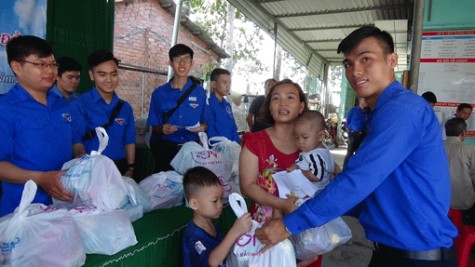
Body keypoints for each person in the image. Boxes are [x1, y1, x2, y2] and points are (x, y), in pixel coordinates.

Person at [255, 26, 457, 267]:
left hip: (417, 257)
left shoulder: (402, 110)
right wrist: (310, 206)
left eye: (366, 59)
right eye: (348, 64)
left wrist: (290, 225)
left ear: (392, 60)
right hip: (390, 251)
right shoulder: (377, 113)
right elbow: (369, 191)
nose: (355, 71)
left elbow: (359, 180)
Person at [239, 79, 322, 267]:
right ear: (269, 106)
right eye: (276, 98)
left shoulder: (312, 144)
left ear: (301, 107)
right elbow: (247, 186)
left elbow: (330, 174)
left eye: (290, 98)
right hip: (265, 230)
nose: (282, 103)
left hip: (306, 233)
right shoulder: (255, 142)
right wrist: (282, 204)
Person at [0, 35, 73, 216]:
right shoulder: (5, 108)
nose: (50, 71)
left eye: (53, 64)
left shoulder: (62, 104)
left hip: (64, 205)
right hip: (22, 211)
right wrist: (41, 178)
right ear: (16, 67)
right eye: (40, 64)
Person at [71, 49, 136, 177]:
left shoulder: (125, 107)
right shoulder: (79, 104)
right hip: (92, 171)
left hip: (120, 169)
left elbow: (129, 140)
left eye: (113, 74)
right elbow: (76, 141)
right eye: (102, 74)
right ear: (91, 75)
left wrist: (130, 169)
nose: (109, 80)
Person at [147, 44, 208, 172]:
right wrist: (162, 128)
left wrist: (202, 127)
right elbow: (154, 126)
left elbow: (205, 123)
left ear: (192, 63)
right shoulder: (159, 93)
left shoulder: (200, 93)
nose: (182, 64)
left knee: (190, 189)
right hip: (166, 151)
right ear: (170, 62)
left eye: (186, 59)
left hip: (192, 151)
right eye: (177, 59)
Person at [182, 166, 252, 267]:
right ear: (194, 204)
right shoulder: (193, 236)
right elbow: (212, 261)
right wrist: (235, 231)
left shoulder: (212, 226)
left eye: (221, 199)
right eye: (215, 201)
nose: (220, 205)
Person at [287, 110, 335, 193]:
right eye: (297, 137)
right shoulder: (323, 150)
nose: (300, 141)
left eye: (305, 137)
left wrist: (298, 171)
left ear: (320, 136)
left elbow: (316, 176)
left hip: (313, 193)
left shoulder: (315, 155)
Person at [444, 117, 475, 225]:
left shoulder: (435, 148)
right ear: (463, 133)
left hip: (439, 203)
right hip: (465, 204)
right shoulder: (470, 150)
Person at [206, 68, 240, 143]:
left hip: (232, 148)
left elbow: (233, 128)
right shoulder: (208, 105)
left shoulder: (227, 105)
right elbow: (210, 131)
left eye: (229, 83)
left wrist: (236, 144)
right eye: (224, 82)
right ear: (214, 84)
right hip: (217, 149)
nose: (228, 86)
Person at [343, 98, 371, 168]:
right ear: (361, 101)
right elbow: (347, 123)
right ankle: (345, 168)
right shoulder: (353, 111)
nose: (367, 102)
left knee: (360, 153)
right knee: (350, 153)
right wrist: (350, 133)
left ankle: (356, 168)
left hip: (363, 135)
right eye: (365, 101)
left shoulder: (368, 112)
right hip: (354, 135)